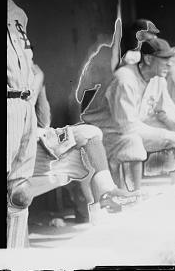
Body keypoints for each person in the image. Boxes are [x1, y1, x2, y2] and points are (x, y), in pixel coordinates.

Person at [85, 38, 175, 189]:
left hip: (130, 128)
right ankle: (134, 194)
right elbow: (127, 127)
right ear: (149, 59)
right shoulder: (125, 79)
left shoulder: (158, 79)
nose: (169, 64)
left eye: (170, 59)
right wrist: (168, 135)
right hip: (105, 133)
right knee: (134, 141)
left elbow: (164, 111)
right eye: (164, 59)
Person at [29, 65, 135, 220]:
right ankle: (99, 203)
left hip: (44, 141)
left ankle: (105, 196)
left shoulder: (35, 76)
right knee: (86, 153)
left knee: (90, 137)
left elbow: (44, 120)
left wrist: (39, 85)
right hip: (27, 148)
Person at [6, 0, 38, 248]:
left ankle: (13, 262)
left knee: (20, 193)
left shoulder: (18, 13)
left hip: (25, 103)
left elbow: (31, 63)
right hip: (3, 105)